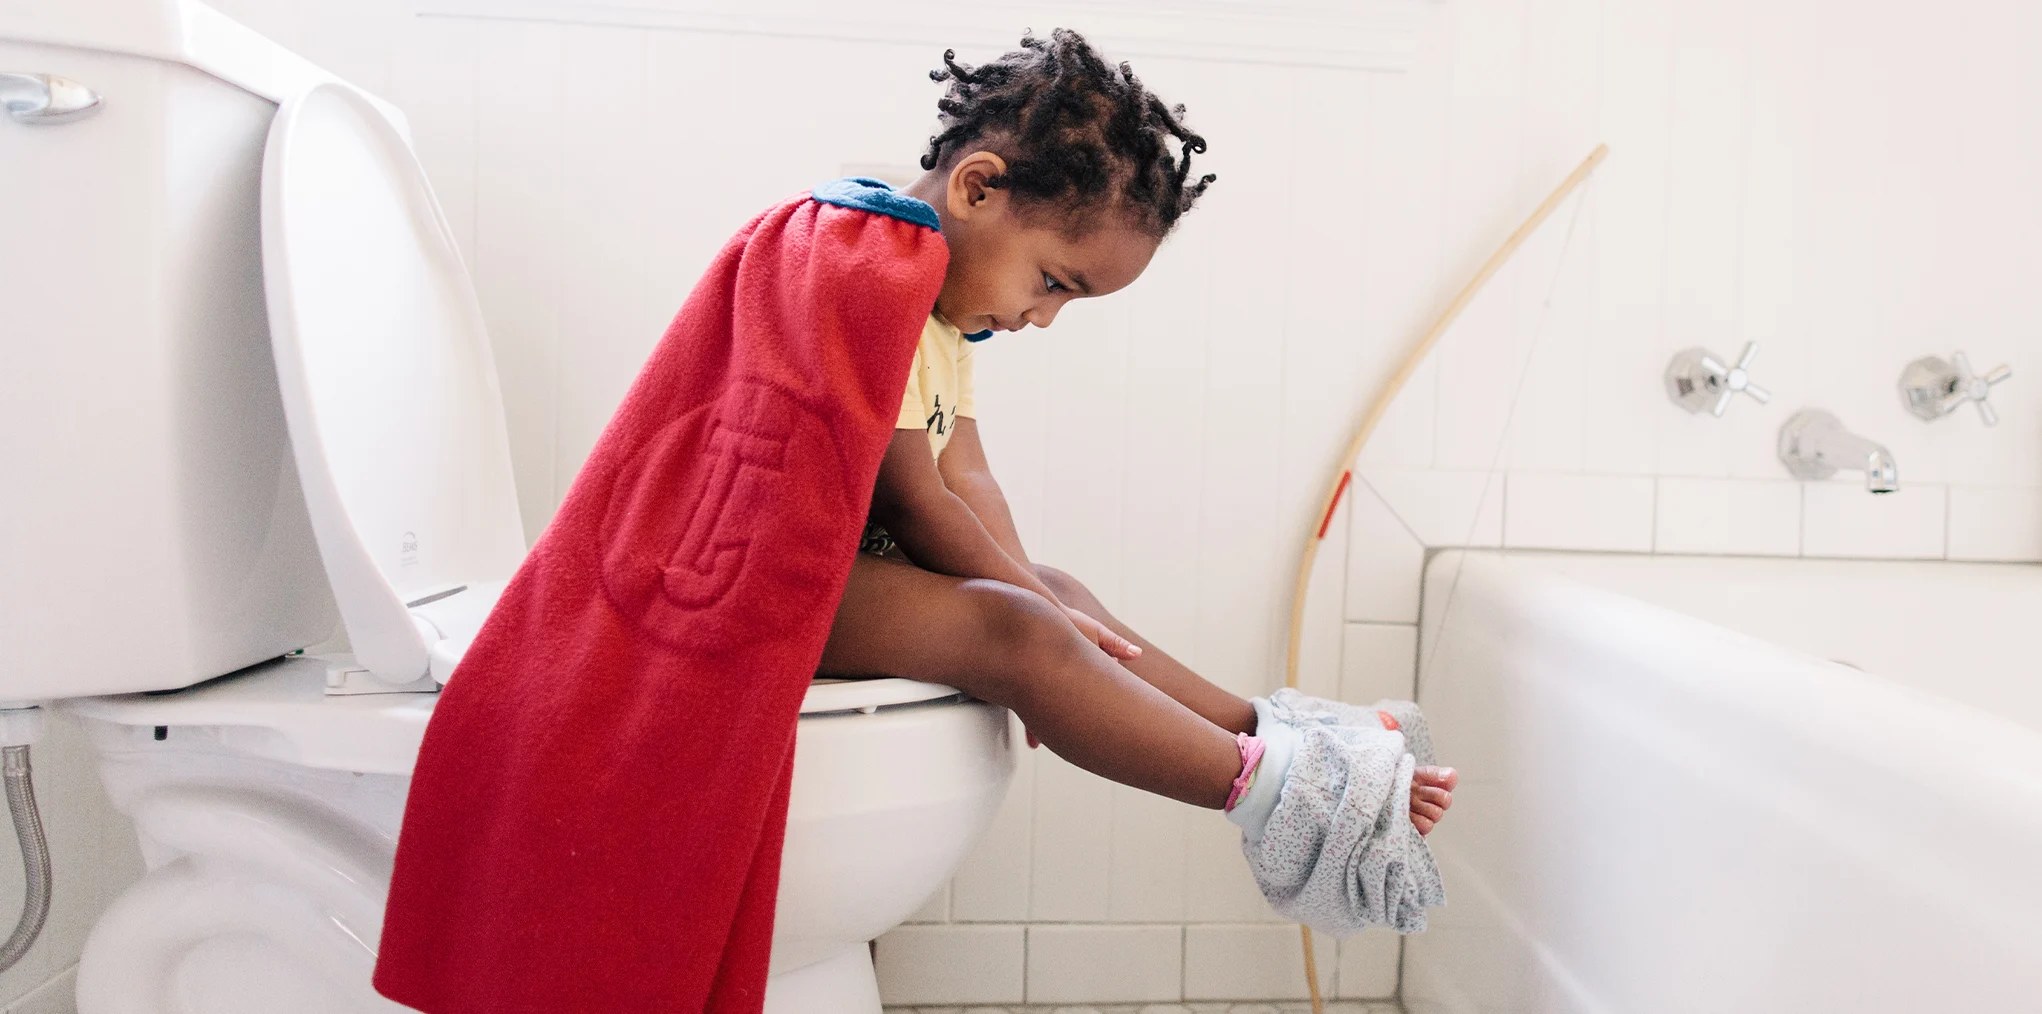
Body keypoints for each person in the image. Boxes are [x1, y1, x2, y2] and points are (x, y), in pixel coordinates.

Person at [815, 29, 1457, 840]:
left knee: (1064, 595)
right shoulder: (873, 281)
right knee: (1022, 623)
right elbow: (913, 501)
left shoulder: (941, 316)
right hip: (780, 593)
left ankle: (1266, 728)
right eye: (1052, 282)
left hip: (851, 580)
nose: (1040, 317)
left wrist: (1053, 614)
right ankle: (1290, 795)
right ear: (977, 189)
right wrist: (1037, 626)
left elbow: (968, 480)